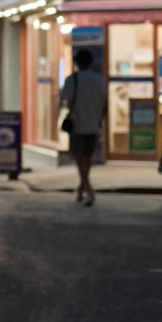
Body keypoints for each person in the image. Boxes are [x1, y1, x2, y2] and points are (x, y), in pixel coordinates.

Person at [60, 49, 107, 206]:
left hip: (77, 124)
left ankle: (88, 190)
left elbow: (64, 100)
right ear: (91, 62)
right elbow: (105, 103)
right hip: (93, 124)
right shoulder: (99, 81)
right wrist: (100, 119)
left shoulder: (71, 80)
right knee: (87, 157)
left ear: (76, 63)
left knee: (80, 158)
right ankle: (82, 189)